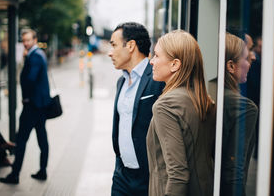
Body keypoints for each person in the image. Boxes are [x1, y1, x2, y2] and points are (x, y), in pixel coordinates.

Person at [147, 30, 216, 196]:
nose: (151, 61)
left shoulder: (165, 106)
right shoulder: (203, 99)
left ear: (175, 64)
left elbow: (178, 174)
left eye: (156, 56)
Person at [108, 22, 165, 196]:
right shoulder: (121, 81)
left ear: (131, 46)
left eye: (114, 45)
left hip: (148, 178)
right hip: (122, 176)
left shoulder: (157, 78)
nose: (110, 53)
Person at [0, 29, 51, 184]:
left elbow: (30, 79)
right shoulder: (38, 54)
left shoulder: (34, 56)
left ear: (35, 40)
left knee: (21, 140)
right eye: (24, 40)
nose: (26, 43)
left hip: (33, 106)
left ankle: (15, 174)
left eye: (28, 40)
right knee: (42, 138)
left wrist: (26, 98)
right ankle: (42, 171)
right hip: (40, 105)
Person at [220, 33, 258, 196]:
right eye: (245, 58)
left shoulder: (209, 96)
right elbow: (234, 171)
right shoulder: (243, 107)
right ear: (231, 66)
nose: (251, 61)